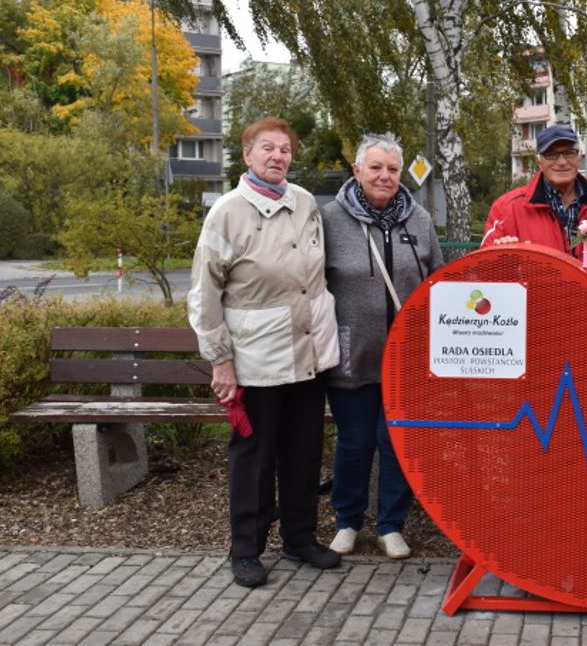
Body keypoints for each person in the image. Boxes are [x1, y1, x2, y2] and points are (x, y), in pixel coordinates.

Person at [188, 117, 341, 588]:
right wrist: (220, 359)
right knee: (254, 458)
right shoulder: (228, 212)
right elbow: (203, 293)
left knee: (303, 452)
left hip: (308, 353)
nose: (278, 156)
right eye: (267, 148)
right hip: (256, 359)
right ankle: (246, 548)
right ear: (248, 155)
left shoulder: (304, 204)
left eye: (285, 149)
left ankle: (299, 538)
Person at [322, 133, 444, 560]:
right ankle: (348, 522)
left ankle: (391, 524)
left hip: (407, 359)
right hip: (352, 354)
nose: (384, 176)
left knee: (397, 442)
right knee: (354, 442)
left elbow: (437, 284)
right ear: (357, 171)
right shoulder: (329, 219)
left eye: (392, 169)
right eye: (375, 167)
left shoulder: (419, 220)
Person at [482, 124, 587, 253]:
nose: (562, 162)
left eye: (569, 153)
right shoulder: (507, 209)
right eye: (552, 155)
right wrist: (502, 258)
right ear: (539, 162)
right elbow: (484, 268)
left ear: (578, 158)